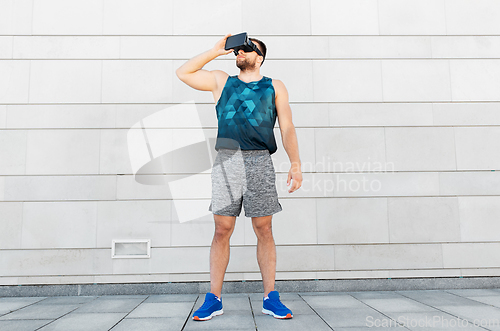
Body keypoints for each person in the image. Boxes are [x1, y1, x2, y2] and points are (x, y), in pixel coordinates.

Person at [176, 33, 302, 321]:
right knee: (221, 229)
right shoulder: (222, 81)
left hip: (259, 161)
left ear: (259, 57)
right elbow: (183, 72)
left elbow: (287, 127)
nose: (240, 53)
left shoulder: (275, 86)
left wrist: (295, 163)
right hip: (227, 161)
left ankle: (271, 298)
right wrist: (215, 51)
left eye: (247, 49)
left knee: (264, 229)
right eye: (238, 50)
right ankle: (214, 299)